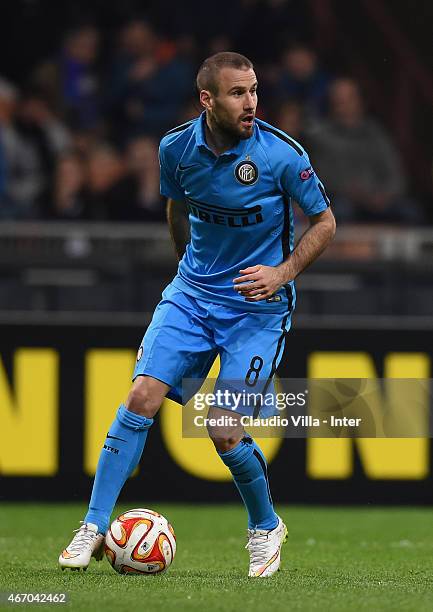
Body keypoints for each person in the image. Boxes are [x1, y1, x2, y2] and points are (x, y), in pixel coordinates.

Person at [59, 52, 335, 577]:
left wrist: (282, 273)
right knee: (141, 395)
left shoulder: (281, 156)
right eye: (237, 93)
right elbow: (178, 205)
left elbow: (324, 222)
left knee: (223, 427)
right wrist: (188, 271)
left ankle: (265, 526)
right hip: (191, 297)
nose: (251, 102)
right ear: (207, 100)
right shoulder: (174, 149)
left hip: (257, 309)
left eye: (254, 91)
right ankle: (93, 525)